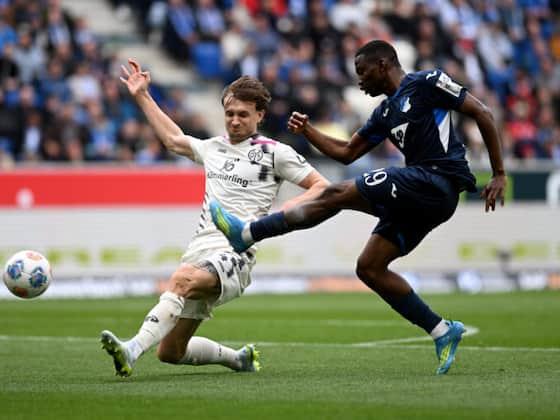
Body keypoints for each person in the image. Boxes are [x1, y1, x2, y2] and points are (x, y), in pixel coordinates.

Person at [210, 40, 507, 375]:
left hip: (437, 180)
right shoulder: (384, 113)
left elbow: (482, 112)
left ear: (383, 65)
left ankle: (248, 233)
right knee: (369, 267)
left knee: (337, 193)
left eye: (363, 72)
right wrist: (308, 131)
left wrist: (498, 172)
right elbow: (348, 152)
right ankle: (441, 330)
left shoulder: (428, 82)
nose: (360, 80)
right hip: (422, 197)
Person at [100, 59, 329, 377]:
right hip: (200, 250)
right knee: (171, 352)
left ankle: (131, 349)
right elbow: (173, 139)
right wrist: (142, 95)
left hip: (236, 253)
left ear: (260, 115)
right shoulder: (213, 147)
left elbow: (322, 186)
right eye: (229, 113)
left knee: (181, 279)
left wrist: (283, 213)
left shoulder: (275, 152)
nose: (234, 121)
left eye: (243, 114)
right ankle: (238, 359)